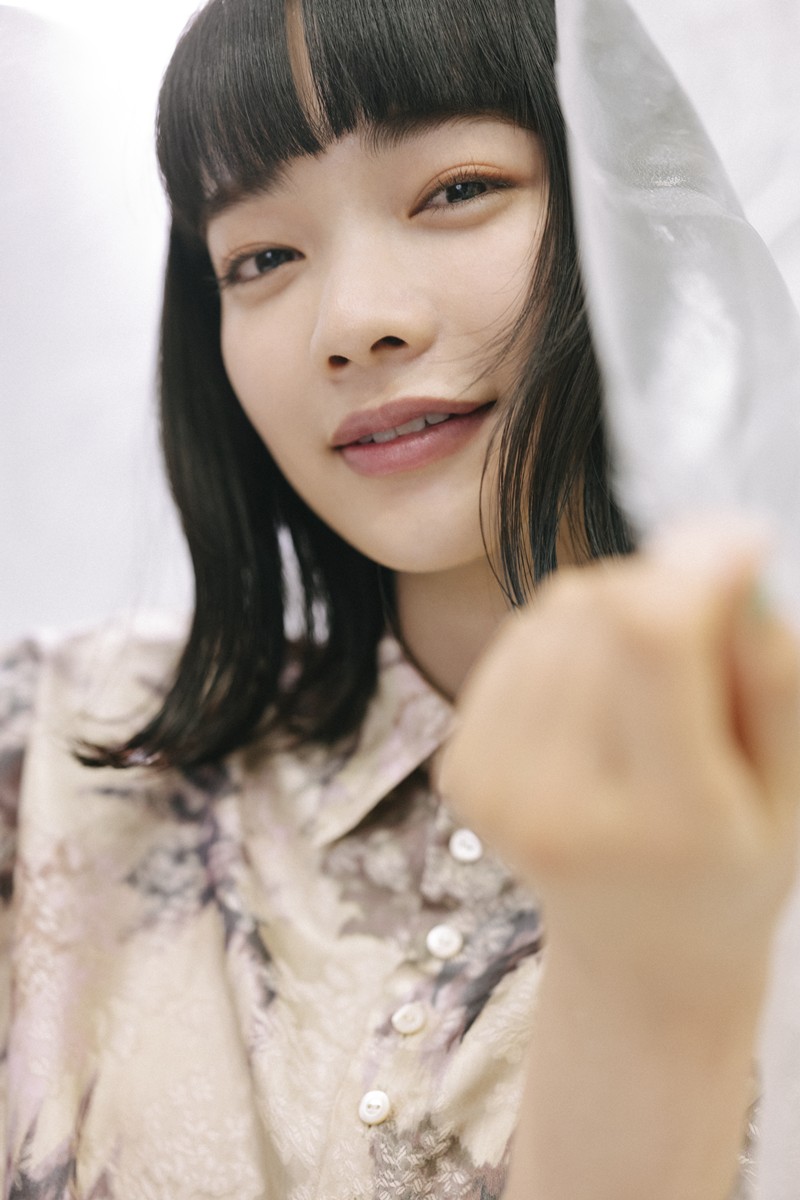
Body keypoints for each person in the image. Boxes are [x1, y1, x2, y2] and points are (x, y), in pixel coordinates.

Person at [1, 0, 798, 1196]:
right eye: (260, 258)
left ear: (642, 193)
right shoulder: (51, 763)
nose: (353, 324)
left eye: (456, 190)